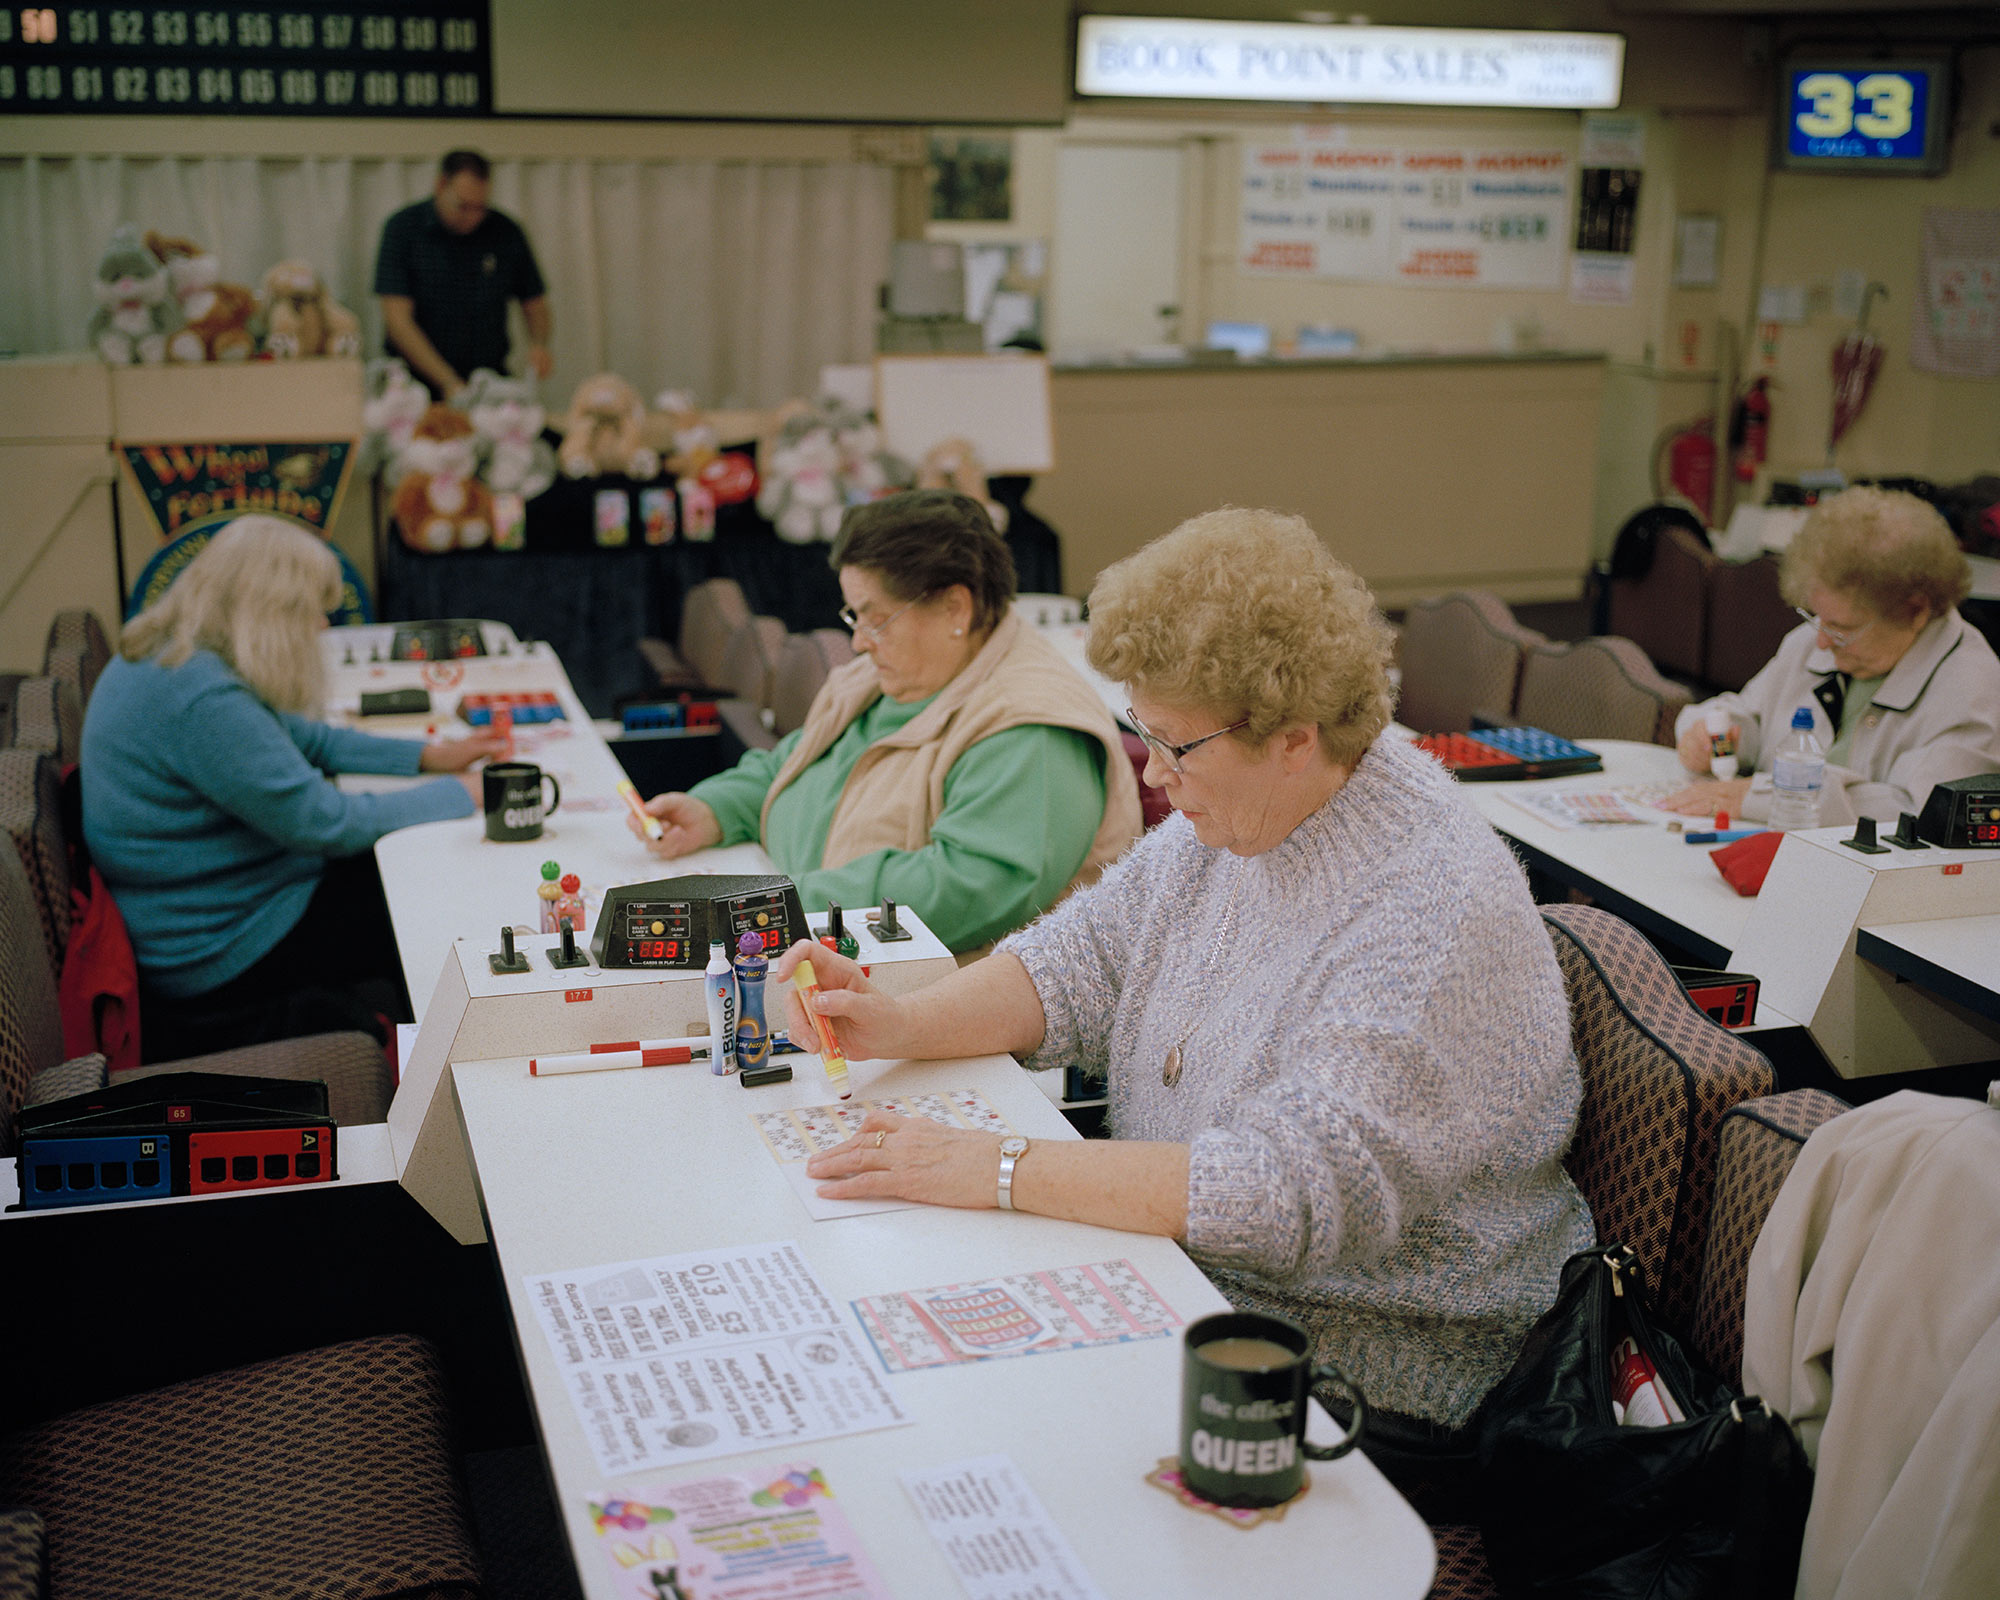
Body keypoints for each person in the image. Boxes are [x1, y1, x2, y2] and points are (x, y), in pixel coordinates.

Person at [776, 508, 1594, 1487]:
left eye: (1172, 747)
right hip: (1196, 1285)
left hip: (1373, 1373)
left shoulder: (1428, 907)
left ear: (1294, 735)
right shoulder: (1253, 806)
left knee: (963, 1435)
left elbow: (1280, 1193)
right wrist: (901, 1019)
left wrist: (991, 1165)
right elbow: (1082, 957)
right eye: (1141, 735)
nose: (1154, 777)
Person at [630, 489, 1142, 954]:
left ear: (955, 607)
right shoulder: (879, 680)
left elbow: (966, 887)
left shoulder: (1032, 730)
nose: (858, 642)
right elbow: (789, 766)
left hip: (954, 1020)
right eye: (854, 617)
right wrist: (713, 809)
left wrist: (772, 904)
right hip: (827, 957)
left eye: (876, 618)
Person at [81, 516, 501, 1062]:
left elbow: (307, 739)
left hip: (219, 907)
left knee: (410, 872)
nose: (324, 626)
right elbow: (326, 822)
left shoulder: (176, 653)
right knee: (428, 893)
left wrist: (429, 758)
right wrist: (462, 795)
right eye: (314, 610)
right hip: (221, 947)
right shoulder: (201, 699)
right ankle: (451, 1058)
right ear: (272, 612)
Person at [1661, 486, 2000, 827]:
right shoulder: (1814, 640)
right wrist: (1717, 739)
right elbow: (1751, 713)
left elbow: (1922, 811)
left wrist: (1767, 795)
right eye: (1816, 617)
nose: (1821, 641)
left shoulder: (1972, 686)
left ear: (1915, 611)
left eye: (1841, 627)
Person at [372, 149, 552, 397]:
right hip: (413, 385)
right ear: (440, 186)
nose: (473, 218)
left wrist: (539, 344)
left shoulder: (505, 232)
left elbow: (534, 301)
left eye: (480, 208)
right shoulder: (403, 230)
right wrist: (448, 382)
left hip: (487, 379)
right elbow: (398, 321)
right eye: (463, 206)